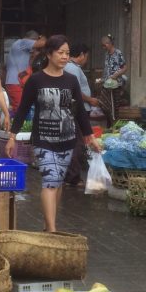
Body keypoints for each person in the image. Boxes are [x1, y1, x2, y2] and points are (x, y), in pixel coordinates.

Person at [7, 35, 100, 232]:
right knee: (50, 182)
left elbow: (79, 112)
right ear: (49, 54)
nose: (65, 57)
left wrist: (90, 137)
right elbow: (23, 109)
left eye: (67, 53)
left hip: (67, 138)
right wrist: (12, 136)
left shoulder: (71, 80)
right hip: (43, 140)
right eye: (60, 53)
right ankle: (52, 230)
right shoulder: (36, 80)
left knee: (57, 183)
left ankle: (48, 224)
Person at [64, 44, 100, 186]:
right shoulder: (72, 68)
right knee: (77, 142)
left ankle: (71, 175)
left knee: (76, 141)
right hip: (78, 109)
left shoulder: (72, 67)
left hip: (79, 109)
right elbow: (76, 92)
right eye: (86, 56)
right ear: (81, 55)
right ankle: (73, 177)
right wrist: (90, 100)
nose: (86, 59)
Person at [5, 31, 39, 110]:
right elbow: (42, 43)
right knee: (20, 108)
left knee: (23, 107)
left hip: (21, 82)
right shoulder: (22, 42)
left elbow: (29, 65)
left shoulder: (24, 50)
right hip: (15, 82)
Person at [98, 34, 127, 126]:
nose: (103, 47)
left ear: (109, 43)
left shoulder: (118, 53)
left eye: (104, 45)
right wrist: (102, 79)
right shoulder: (107, 54)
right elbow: (106, 69)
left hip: (116, 84)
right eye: (102, 45)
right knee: (104, 104)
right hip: (107, 84)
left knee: (115, 106)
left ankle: (114, 125)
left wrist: (116, 75)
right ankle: (110, 123)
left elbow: (124, 68)